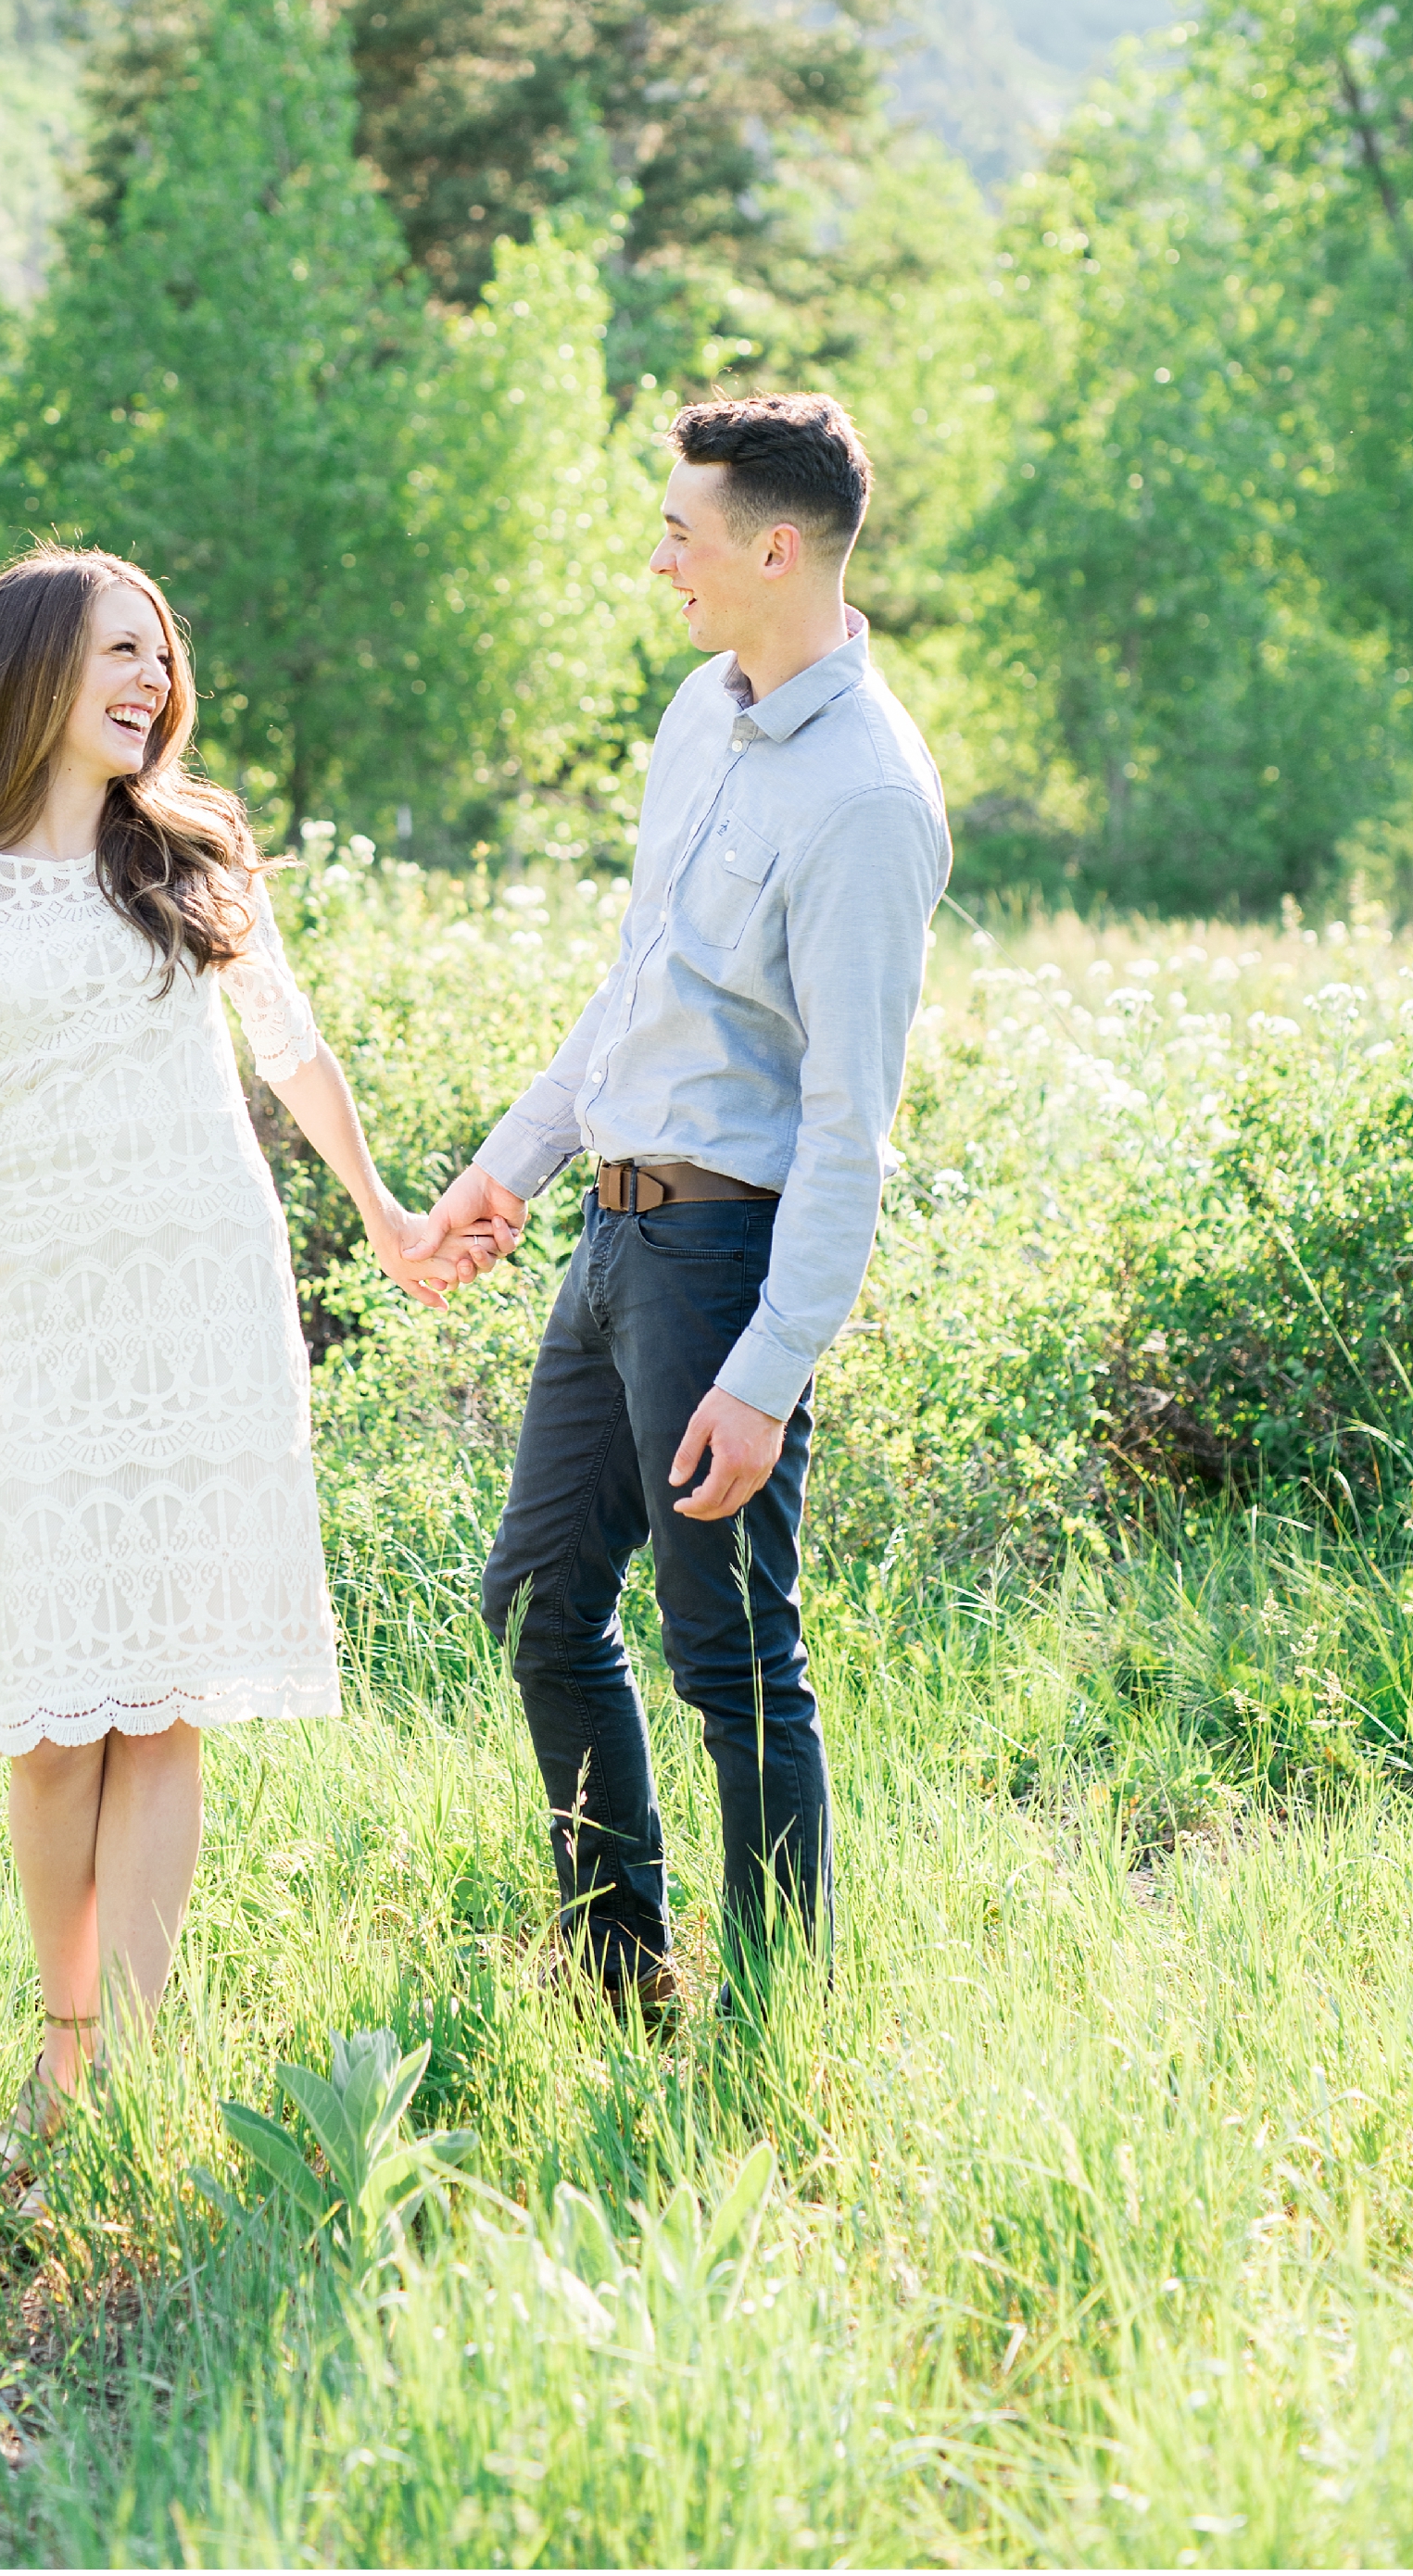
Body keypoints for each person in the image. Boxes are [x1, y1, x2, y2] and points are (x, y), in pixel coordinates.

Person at [0, 547, 486, 2164]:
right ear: (33, 669)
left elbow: (293, 1051)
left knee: (166, 1695)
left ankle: (102, 2079)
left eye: (161, 656)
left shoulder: (193, 848)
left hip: (208, 1294)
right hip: (51, 1316)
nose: (152, 681)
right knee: (60, 1718)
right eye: (120, 653)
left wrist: (394, 1219)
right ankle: (65, 2037)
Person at [408, 395, 950, 2009]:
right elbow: (639, 990)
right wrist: (513, 1163)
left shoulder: (866, 798)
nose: (661, 562)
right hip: (612, 1240)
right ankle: (620, 1971)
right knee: (539, 1598)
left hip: (722, 1256)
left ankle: (780, 2014)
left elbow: (854, 1128)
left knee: (734, 1660)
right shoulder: (696, 715)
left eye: (681, 535)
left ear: (774, 548)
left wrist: (765, 1378)